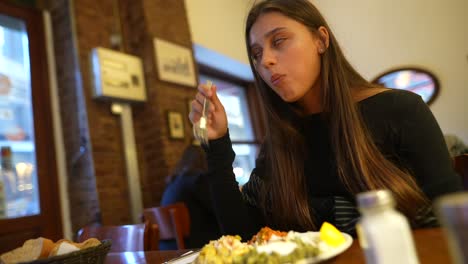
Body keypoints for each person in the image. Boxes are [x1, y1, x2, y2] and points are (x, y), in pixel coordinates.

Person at [188, 0, 462, 239]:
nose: (266, 61)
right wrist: (217, 145)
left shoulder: (400, 109)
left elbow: (452, 219)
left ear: (321, 40)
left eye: (279, 41)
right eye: (256, 54)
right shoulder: (279, 142)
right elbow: (242, 237)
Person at [160, 144, 221, 248]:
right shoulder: (197, 180)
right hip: (194, 247)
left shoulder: (173, 183)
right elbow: (219, 209)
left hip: (169, 248)